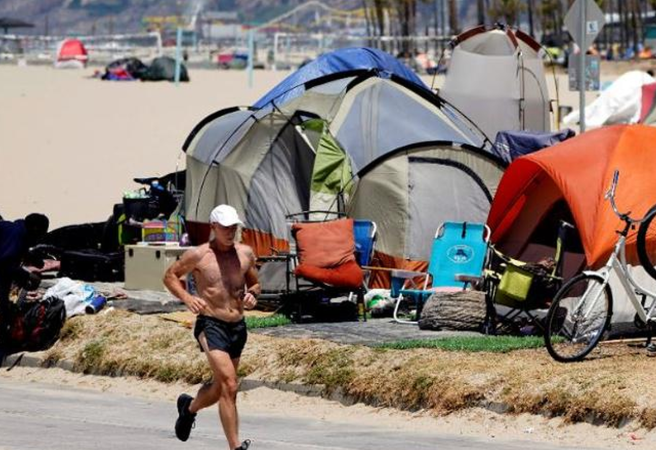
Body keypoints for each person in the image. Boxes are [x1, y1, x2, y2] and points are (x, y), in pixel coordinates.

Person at [164, 204, 260, 450]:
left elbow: (255, 284)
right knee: (230, 384)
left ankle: (189, 408)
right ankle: (235, 447)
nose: (230, 232)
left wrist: (252, 295)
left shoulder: (245, 253)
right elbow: (170, 276)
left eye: (234, 227)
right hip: (211, 324)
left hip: (237, 327)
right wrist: (187, 298)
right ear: (214, 227)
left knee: (220, 389)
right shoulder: (199, 255)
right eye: (225, 227)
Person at [0, 213, 49, 344]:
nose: (39, 239)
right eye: (40, 235)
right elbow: (5, 265)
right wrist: (28, 275)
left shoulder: (18, 230)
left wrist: (33, 259)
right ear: (35, 230)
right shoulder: (16, 236)